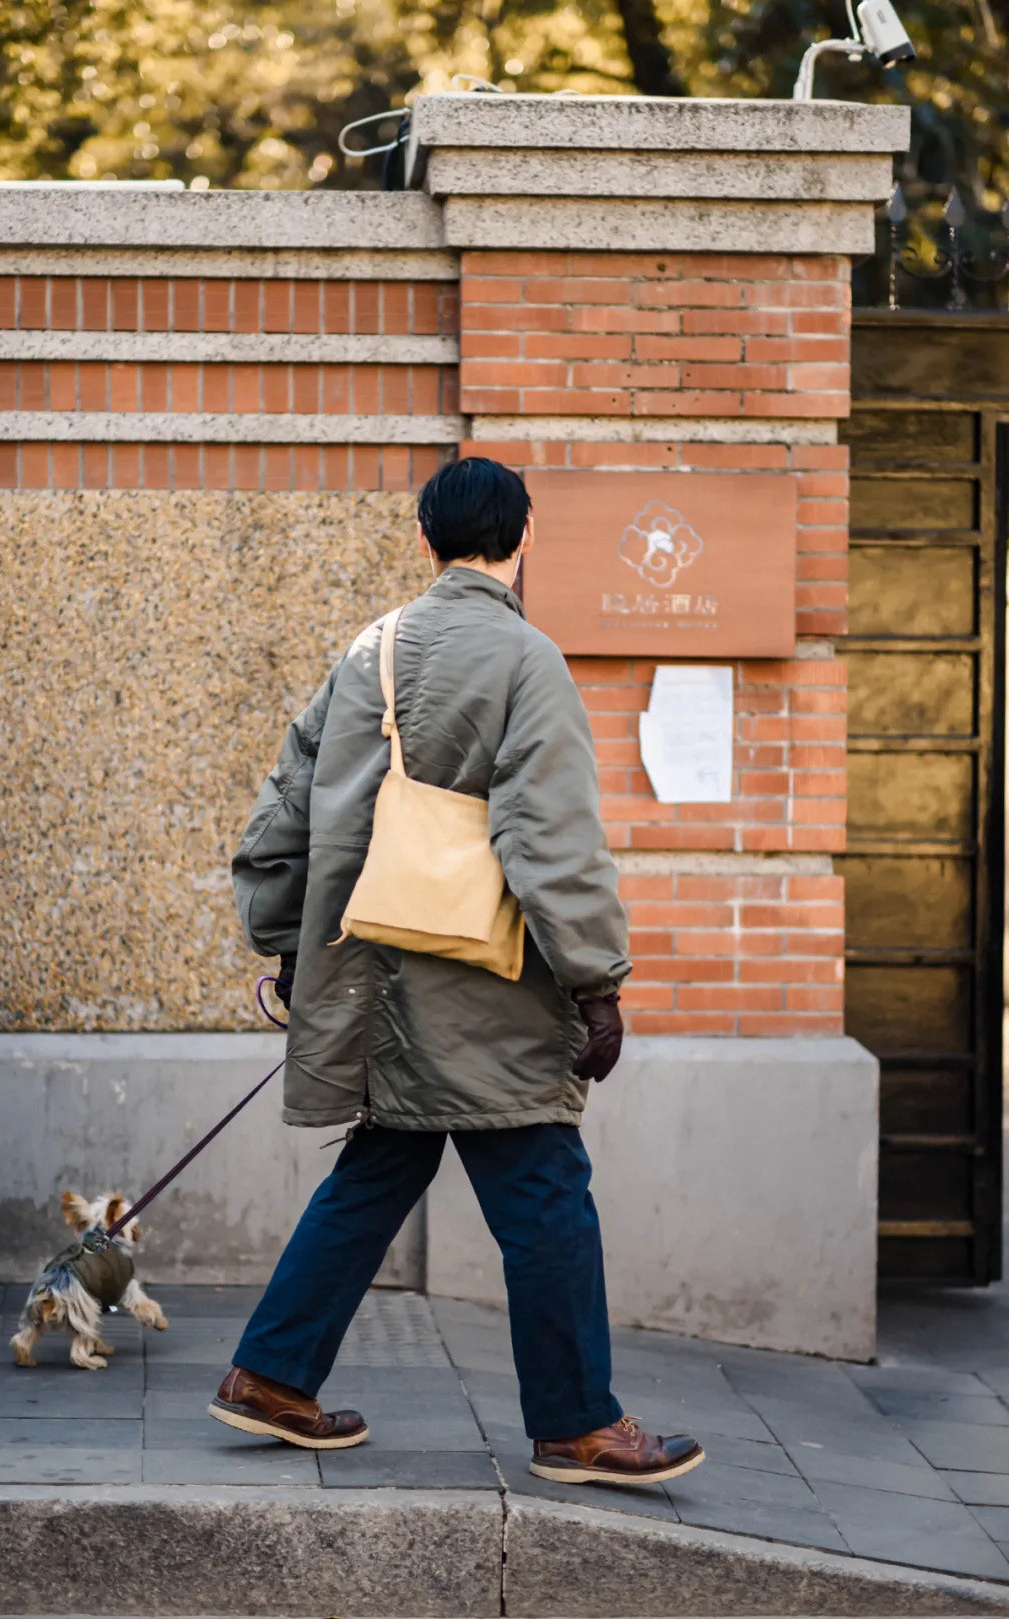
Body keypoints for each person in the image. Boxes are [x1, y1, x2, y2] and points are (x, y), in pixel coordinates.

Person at [209, 457, 704, 1487]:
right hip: (487, 988)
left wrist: (286, 948)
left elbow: (280, 818)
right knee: (546, 1190)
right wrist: (596, 982)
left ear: (427, 540)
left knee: (381, 1167)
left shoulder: (368, 652)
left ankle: (269, 1374)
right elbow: (549, 837)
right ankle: (577, 1425)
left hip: (375, 982)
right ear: (522, 541)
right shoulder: (531, 661)